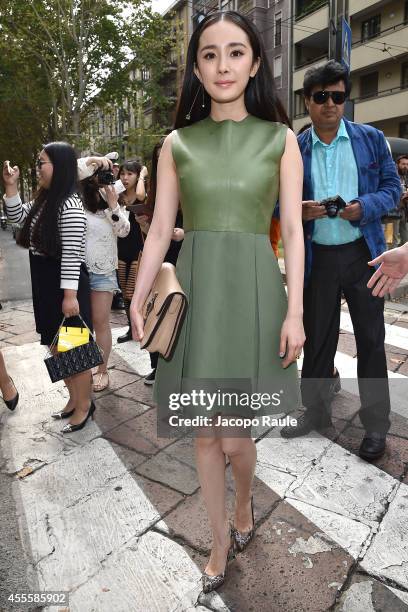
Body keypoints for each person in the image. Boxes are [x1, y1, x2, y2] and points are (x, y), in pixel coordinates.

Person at [130, 11, 304, 593]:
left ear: (255, 63)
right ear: (196, 69)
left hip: (255, 290)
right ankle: (219, 539)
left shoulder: (282, 140)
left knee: (236, 436)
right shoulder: (176, 144)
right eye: (209, 54)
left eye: (235, 53)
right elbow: (159, 230)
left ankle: (245, 502)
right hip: (199, 294)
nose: (222, 65)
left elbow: (295, 235)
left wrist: (296, 311)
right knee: (207, 433)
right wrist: (138, 295)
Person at [280, 61, 402, 462]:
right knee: (317, 341)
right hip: (317, 257)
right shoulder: (294, 147)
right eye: (321, 97)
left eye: (337, 96)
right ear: (307, 102)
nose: (330, 104)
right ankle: (314, 413)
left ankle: (375, 427)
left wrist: (362, 207)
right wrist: (298, 209)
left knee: (370, 341)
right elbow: (275, 205)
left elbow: (392, 190)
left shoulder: (370, 139)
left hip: (363, 254)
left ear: (344, 99)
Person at [2, 145, 95, 433]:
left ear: (60, 166)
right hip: (45, 285)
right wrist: (11, 186)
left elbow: (72, 256)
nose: (37, 168)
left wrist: (69, 297)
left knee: (74, 352)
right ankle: (73, 400)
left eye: (42, 163)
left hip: (65, 288)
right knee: (57, 348)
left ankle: (84, 406)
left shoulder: (70, 205)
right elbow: (17, 218)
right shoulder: (45, 201)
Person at [80, 160, 130, 392]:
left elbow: (124, 231)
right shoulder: (76, 204)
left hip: (102, 272)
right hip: (76, 272)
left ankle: (101, 369)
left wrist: (113, 205)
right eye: (99, 176)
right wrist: (94, 161)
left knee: (100, 322)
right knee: (76, 325)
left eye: (107, 176)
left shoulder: (114, 208)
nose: (104, 181)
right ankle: (78, 372)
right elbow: (73, 169)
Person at [143, 138, 184, 385]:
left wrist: (181, 232)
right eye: (157, 156)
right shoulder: (155, 188)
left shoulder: (188, 181)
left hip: (182, 253)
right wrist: (145, 228)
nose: (162, 159)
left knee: (177, 309)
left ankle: (174, 365)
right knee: (157, 308)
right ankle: (156, 365)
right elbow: (154, 233)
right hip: (159, 255)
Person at [116, 160, 149, 343]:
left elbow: (141, 194)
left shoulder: (140, 197)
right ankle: (131, 329)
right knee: (124, 292)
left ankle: (140, 327)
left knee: (133, 292)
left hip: (138, 249)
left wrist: (143, 174)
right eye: (122, 173)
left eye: (130, 174)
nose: (125, 177)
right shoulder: (117, 197)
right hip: (120, 250)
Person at [392, 155, 408, 248]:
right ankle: (391, 261)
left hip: (403, 211)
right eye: (403, 164)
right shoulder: (393, 177)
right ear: (397, 165)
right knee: (392, 240)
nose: (405, 166)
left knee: (405, 239)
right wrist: (402, 195)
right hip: (393, 212)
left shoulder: (404, 177)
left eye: (407, 164)